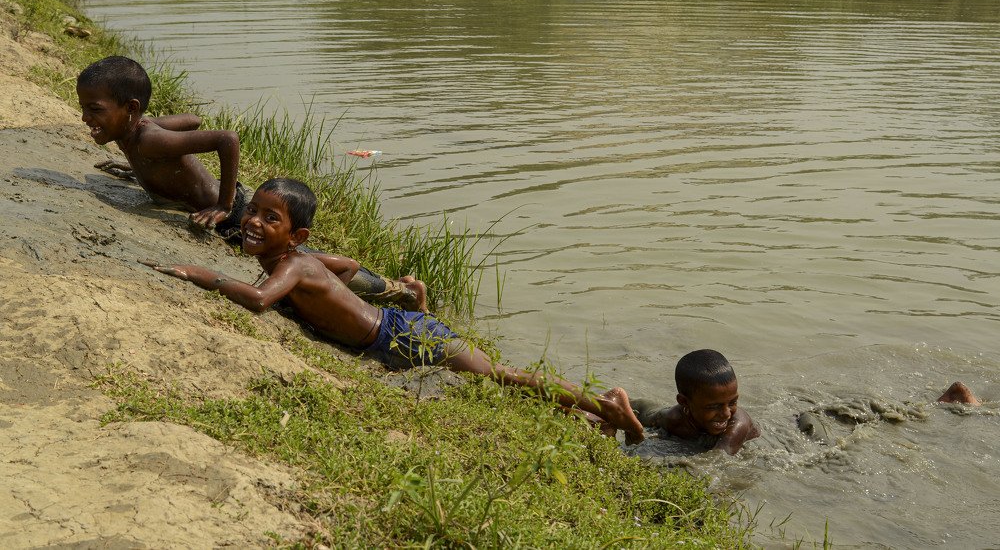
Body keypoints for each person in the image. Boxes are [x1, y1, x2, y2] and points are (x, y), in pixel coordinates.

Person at [143, 177, 645, 444]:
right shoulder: (297, 261)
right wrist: (345, 292)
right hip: (397, 330)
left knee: (500, 375)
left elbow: (255, 300)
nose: (252, 222)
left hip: (405, 337)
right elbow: (344, 263)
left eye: (268, 219)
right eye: (252, 211)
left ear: (296, 236)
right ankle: (588, 415)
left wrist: (199, 273)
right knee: (495, 383)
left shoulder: (291, 266)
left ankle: (606, 407)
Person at [78, 55, 425, 311]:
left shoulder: (151, 140)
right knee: (299, 262)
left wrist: (224, 205)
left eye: (95, 110)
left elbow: (227, 139)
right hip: (226, 205)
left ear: (131, 108)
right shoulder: (139, 135)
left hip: (235, 215)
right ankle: (398, 289)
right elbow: (193, 119)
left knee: (301, 261)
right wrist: (136, 167)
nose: (85, 118)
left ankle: (402, 291)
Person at [632, 349, 759, 454]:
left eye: (732, 402)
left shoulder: (739, 424)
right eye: (714, 406)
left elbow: (719, 458)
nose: (726, 414)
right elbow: (646, 414)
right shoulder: (673, 420)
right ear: (684, 402)